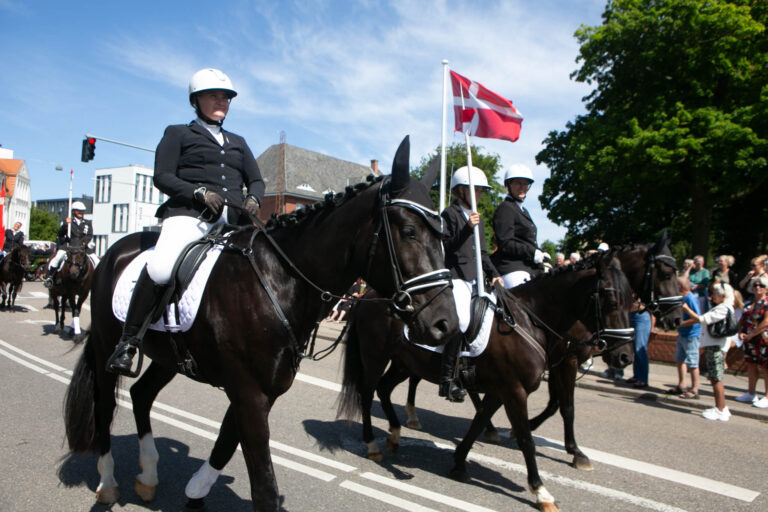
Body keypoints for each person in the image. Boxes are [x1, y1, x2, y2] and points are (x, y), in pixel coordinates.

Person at [106, 68, 265, 376]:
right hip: (189, 216)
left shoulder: (239, 141)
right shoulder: (178, 133)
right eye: (213, 96)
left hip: (232, 220)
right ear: (196, 100)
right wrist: (198, 192)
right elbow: (162, 176)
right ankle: (128, 343)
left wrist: (253, 200)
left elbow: (256, 180)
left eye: (226, 98)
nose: (221, 102)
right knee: (162, 267)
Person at [440, 165, 502, 401]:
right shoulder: (450, 214)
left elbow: (483, 253)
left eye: (481, 191)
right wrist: (467, 228)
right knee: (463, 320)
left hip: (477, 279)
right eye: (476, 190)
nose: (480, 195)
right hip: (456, 276)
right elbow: (446, 246)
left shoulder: (479, 219)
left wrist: (495, 274)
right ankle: (447, 379)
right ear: (462, 190)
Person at [681, 283, 735, 421]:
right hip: (713, 347)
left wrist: (686, 309)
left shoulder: (723, 308)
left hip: (716, 348)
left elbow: (702, 319)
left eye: (716, 292)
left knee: (716, 379)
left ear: (723, 295)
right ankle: (721, 407)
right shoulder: (721, 307)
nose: (713, 295)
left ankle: (720, 409)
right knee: (713, 378)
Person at [490, 164, 548, 288]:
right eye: (518, 183)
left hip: (528, 267)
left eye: (525, 184)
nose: (522, 187)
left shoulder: (523, 210)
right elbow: (506, 243)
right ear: (509, 185)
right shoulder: (505, 208)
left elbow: (527, 241)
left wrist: (541, 253)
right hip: (512, 268)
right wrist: (532, 253)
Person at [734, 275, 768, 407]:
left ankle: (767, 396)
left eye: (761, 286)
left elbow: (766, 322)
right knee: (751, 365)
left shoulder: (767, 303)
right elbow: (742, 319)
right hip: (749, 339)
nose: (758, 287)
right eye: (755, 285)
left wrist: (751, 334)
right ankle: (751, 393)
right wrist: (740, 332)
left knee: (766, 368)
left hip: (763, 339)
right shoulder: (749, 303)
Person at [43, 202, 94, 287]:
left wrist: (84, 242)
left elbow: (89, 235)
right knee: (56, 259)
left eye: (82, 211)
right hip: (69, 246)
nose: (81, 213)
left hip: (82, 247)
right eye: (78, 211)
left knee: (96, 261)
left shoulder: (87, 222)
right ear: (73, 211)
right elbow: (60, 234)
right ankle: (50, 278)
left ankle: (96, 281)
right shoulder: (67, 221)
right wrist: (66, 224)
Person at [666, 277, 702, 399]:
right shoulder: (682, 298)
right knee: (680, 359)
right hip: (683, 334)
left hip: (691, 335)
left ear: (681, 287)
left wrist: (680, 324)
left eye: (675, 285)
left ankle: (694, 389)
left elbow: (697, 318)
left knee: (693, 362)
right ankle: (682, 385)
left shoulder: (690, 298)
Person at [624, 297, 655, 387]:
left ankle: (643, 379)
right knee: (634, 348)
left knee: (640, 347)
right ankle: (636, 375)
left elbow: (646, 307)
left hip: (641, 317)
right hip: (631, 316)